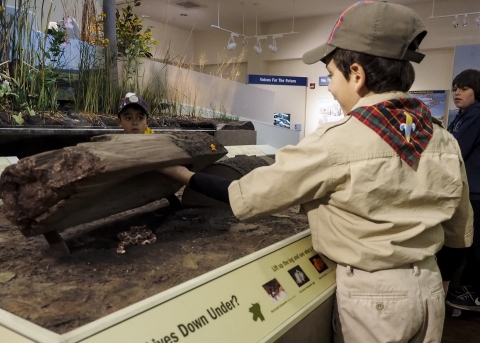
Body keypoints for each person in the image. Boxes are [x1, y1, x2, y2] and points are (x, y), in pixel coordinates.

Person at [158, 2, 473, 342]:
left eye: (331, 75)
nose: (329, 86)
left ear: (357, 75)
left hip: (375, 299)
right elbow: (459, 230)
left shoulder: (335, 142)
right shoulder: (442, 138)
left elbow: (247, 195)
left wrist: (185, 176)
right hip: (428, 288)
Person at [443, 69, 480, 311]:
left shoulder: (476, 115)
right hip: (467, 190)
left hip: (476, 192)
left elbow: (454, 150)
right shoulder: (462, 115)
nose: (457, 92)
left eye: (464, 88)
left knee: (475, 246)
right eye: (455, 88)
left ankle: (474, 293)